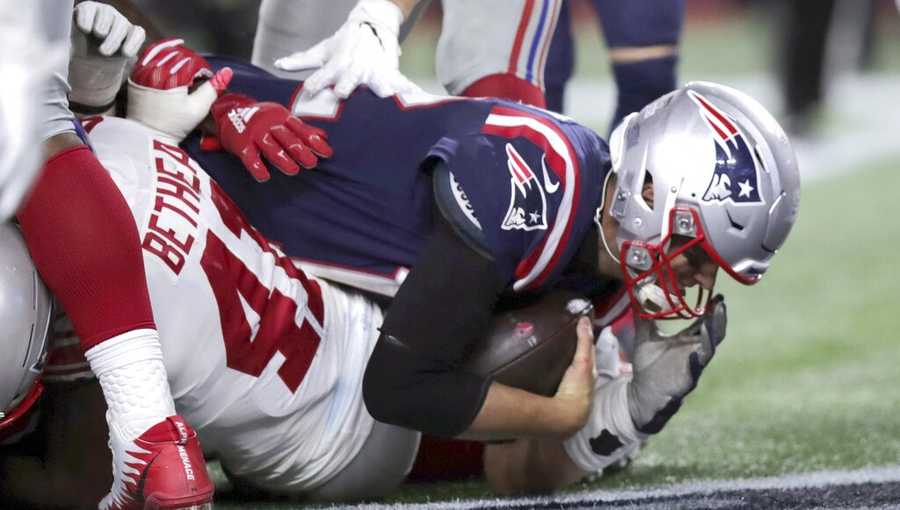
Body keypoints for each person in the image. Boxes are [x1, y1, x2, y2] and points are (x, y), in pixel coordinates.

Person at [184, 44, 800, 486]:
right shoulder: (531, 191)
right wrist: (563, 413)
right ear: (650, 192)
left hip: (250, 264)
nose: (700, 280)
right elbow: (397, 388)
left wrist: (630, 414)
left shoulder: (599, 268)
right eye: (699, 254)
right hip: (199, 160)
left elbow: (509, 468)